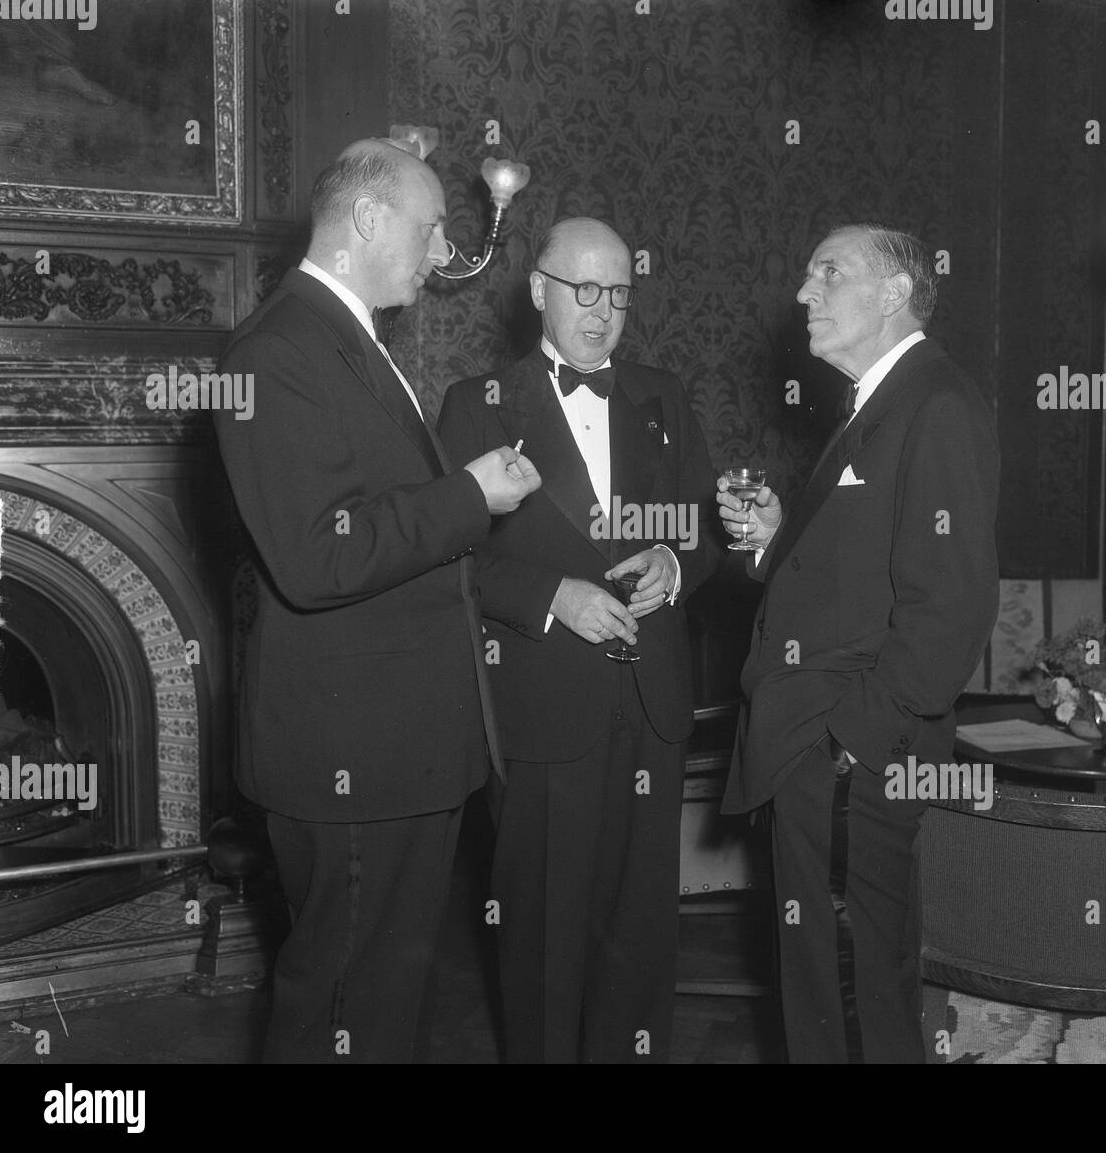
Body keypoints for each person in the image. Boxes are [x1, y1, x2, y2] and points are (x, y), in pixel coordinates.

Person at [214, 138, 541, 1063]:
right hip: (352, 754)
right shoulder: (279, 350)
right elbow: (318, 555)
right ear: (366, 220)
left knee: (382, 1000)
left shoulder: (342, 337)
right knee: (346, 1006)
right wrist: (469, 495)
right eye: (431, 225)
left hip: (395, 747)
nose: (443, 251)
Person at [437, 216, 721, 1063]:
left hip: (651, 703)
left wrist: (675, 560)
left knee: (640, 934)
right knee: (546, 938)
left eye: (620, 295)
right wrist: (553, 594)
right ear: (538, 291)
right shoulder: (476, 404)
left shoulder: (663, 395)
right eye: (583, 291)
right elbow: (450, 563)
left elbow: (705, 529)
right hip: (547, 711)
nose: (602, 312)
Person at [716, 224, 1000, 1063]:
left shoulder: (936, 403)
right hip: (826, 746)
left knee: (849, 985)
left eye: (829, 274)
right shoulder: (881, 402)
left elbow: (949, 611)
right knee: (827, 982)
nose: (805, 293)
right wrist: (779, 543)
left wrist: (849, 746)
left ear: (894, 294)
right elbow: (855, 583)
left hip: (853, 758)